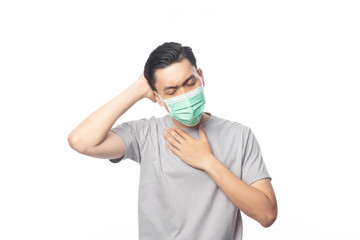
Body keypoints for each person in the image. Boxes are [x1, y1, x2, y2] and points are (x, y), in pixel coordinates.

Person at [68, 42, 277, 240]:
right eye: (171, 91)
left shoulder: (239, 135)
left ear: (201, 77)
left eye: (190, 83)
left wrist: (207, 161)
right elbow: (81, 141)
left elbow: (267, 214)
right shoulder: (145, 134)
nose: (184, 95)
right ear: (157, 97)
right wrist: (139, 88)